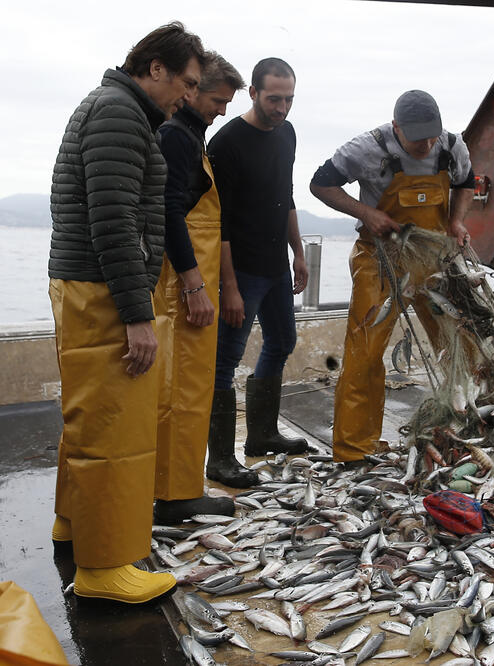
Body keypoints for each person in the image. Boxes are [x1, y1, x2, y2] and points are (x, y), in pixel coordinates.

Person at [47, 22, 205, 603]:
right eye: (185, 83)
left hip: (89, 286)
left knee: (88, 421)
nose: (186, 97)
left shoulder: (120, 108)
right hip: (102, 291)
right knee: (114, 426)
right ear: (154, 67)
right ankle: (105, 565)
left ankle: (75, 525)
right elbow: (111, 219)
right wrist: (137, 314)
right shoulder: (119, 112)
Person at [310, 90, 475, 464]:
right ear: (397, 127)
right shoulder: (365, 149)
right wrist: (366, 213)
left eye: (432, 135)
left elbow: (467, 182)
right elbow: (320, 185)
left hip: (433, 257)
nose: (427, 144)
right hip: (381, 259)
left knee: (460, 344)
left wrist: (456, 220)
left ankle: (464, 430)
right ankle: (354, 448)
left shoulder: (451, 146)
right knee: (365, 352)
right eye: (418, 138)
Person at [152, 52, 256, 527]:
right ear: (191, 91)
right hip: (179, 287)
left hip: (193, 279)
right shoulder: (177, 136)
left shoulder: (192, 134)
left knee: (192, 391)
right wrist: (193, 283)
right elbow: (170, 212)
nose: (222, 110)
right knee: (180, 392)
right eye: (218, 100)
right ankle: (175, 496)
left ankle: (182, 486)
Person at [207, 57, 309, 459]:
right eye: (273, 99)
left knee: (283, 341)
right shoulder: (226, 142)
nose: (281, 108)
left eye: (288, 99)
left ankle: (262, 435)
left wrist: (298, 253)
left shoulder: (288, 135)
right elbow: (219, 222)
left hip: (275, 266)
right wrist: (228, 287)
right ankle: (220, 459)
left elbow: (285, 196)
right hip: (241, 269)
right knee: (223, 361)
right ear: (252, 93)